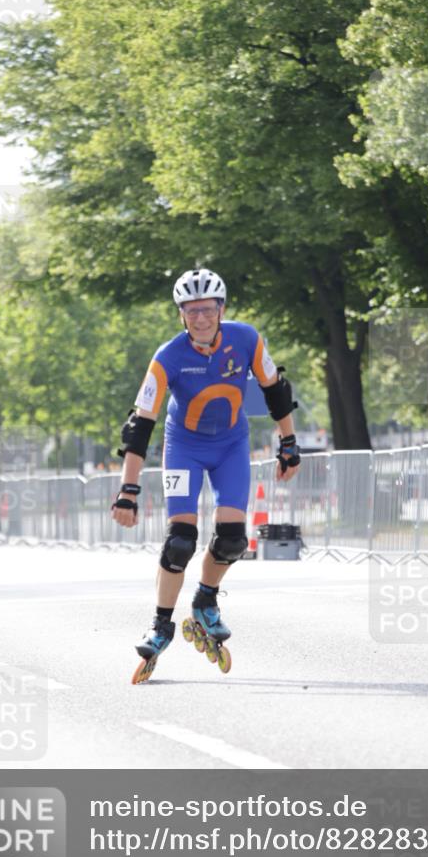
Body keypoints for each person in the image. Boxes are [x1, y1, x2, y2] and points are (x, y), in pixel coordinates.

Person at [111, 268, 300, 675]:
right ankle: (161, 625)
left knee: (232, 540)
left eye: (208, 310)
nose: (200, 319)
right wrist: (128, 489)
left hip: (231, 446)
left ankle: (205, 600)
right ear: (181, 315)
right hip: (185, 449)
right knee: (181, 541)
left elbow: (275, 389)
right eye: (191, 311)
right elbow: (140, 424)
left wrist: (288, 443)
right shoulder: (168, 356)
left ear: (222, 309)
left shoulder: (246, 338)